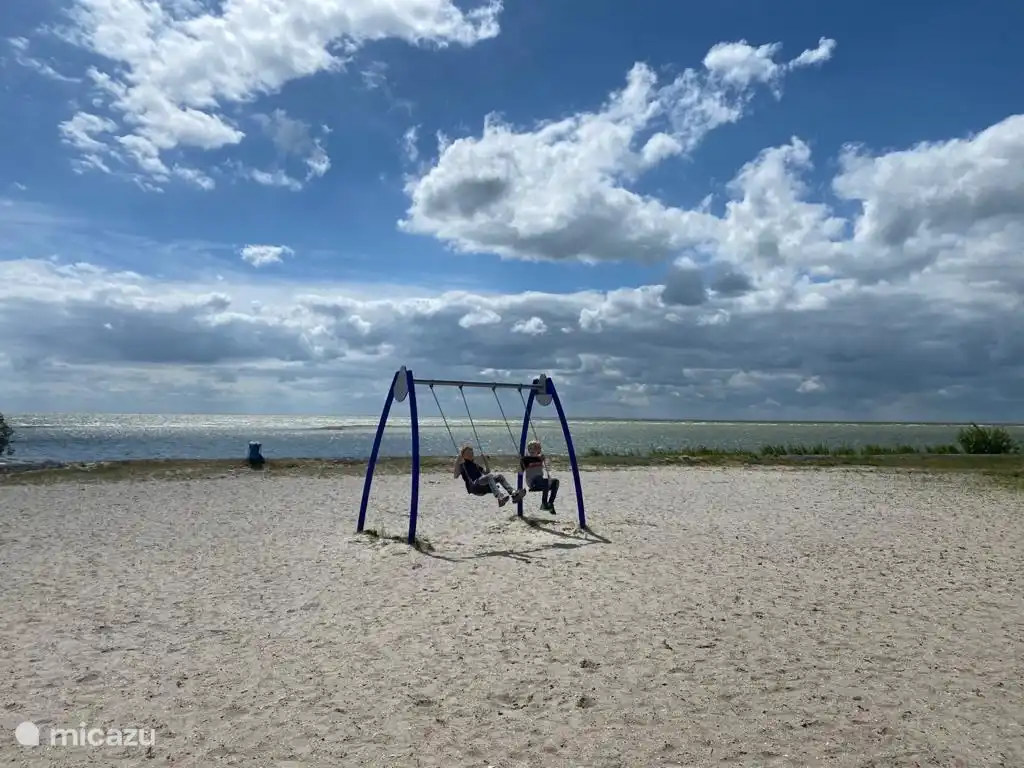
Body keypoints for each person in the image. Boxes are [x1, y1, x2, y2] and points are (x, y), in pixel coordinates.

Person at [454, 445, 525, 507]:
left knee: (499, 477)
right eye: (468, 452)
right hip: (474, 487)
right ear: (463, 455)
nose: (471, 454)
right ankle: (500, 497)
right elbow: (455, 476)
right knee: (489, 476)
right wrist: (457, 460)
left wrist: (485, 461)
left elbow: (487, 472)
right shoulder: (462, 465)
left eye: (472, 452)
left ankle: (513, 494)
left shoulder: (476, 465)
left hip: (482, 487)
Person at [521, 439, 559, 513]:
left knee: (556, 482)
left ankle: (550, 503)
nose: (539, 449)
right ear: (532, 449)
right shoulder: (527, 458)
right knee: (546, 482)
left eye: (539, 448)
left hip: (540, 482)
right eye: (537, 448)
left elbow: (542, 464)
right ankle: (544, 503)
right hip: (533, 482)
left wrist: (543, 460)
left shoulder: (539, 458)